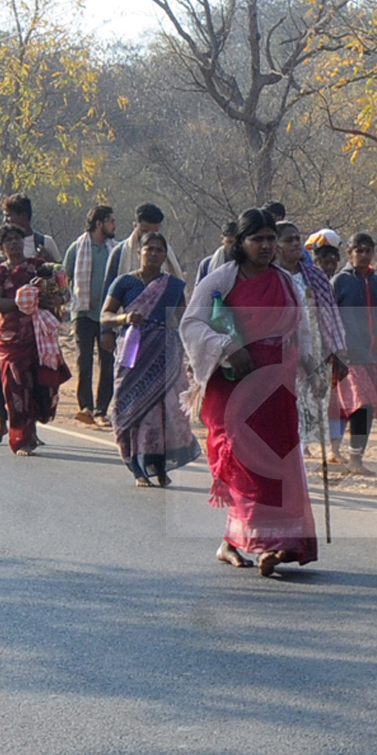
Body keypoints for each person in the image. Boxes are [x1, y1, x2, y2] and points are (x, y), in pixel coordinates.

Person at [180, 209, 317, 576]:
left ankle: (268, 541)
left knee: (280, 463)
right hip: (236, 385)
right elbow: (191, 324)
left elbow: (301, 328)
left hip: (278, 386)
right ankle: (261, 541)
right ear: (240, 243)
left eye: (271, 238)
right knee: (247, 464)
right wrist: (228, 347)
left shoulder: (286, 282)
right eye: (258, 239)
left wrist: (311, 365)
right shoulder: (220, 281)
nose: (266, 246)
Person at [100, 232, 201, 487]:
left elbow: (184, 321)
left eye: (159, 250)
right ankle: (138, 469)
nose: (154, 254)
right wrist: (124, 318)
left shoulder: (174, 286)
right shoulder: (124, 283)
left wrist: (193, 354)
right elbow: (105, 315)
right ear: (139, 253)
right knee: (132, 407)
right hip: (133, 354)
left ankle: (159, 467)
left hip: (165, 355)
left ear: (165, 256)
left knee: (164, 411)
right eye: (149, 249)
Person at [0, 193, 62, 442]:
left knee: (38, 381)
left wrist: (52, 297)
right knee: (7, 380)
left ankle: (33, 429)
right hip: (9, 336)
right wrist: (22, 301)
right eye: (9, 241)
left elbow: (59, 280)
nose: (14, 243)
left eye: (16, 239)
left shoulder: (40, 252)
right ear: (2, 246)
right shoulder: (1, 269)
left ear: (24, 216)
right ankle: (9, 427)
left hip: (37, 333)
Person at [271, 220, 348, 452]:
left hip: (314, 348)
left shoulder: (315, 277)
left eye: (297, 238)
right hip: (280, 350)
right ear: (276, 245)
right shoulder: (269, 276)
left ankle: (300, 451)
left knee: (311, 400)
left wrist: (340, 351)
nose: (295, 243)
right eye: (288, 240)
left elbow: (332, 314)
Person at [331, 232, 377, 475]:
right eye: (359, 250)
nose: (364, 255)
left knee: (367, 408)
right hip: (348, 353)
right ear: (350, 253)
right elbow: (328, 317)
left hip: (374, 355)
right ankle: (341, 452)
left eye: (368, 250)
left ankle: (356, 457)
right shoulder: (340, 282)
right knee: (360, 404)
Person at [63, 205, 118, 427]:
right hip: (83, 313)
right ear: (99, 223)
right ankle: (85, 407)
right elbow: (64, 277)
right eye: (111, 221)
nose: (114, 225)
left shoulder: (115, 250)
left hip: (108, 315)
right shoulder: (77, 248)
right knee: (83, 361)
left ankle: (101, 411)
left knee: (107, 362)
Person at [106, 203, 185, 288]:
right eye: (145, 231)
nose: (149, 237)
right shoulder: (119, 253)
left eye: (154, 232)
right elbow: (109, 290)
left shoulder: (167, 253)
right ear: (135, 226)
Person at [196, 221, 236, 285]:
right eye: (230, 242)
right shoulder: (207, 264)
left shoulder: (247, 265)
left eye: (237, 243)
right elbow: (199, 289)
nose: (233, 246)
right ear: (222, 239)